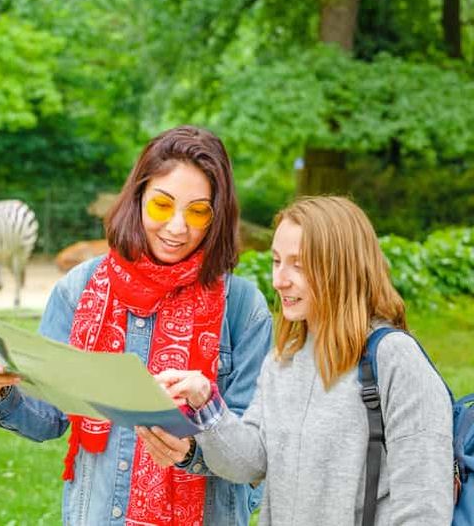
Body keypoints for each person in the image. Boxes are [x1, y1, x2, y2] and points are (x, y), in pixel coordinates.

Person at [0, 125, 272, 525]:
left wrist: (190, 450)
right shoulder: (79, 289)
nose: (178, 227)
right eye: (163, 206)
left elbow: (252, 457)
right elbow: (49, 419)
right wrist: (2, 389)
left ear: (217, 217)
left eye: (198, 211)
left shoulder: (243, 308)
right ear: (138, 197)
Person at [138, 196, 454, 525]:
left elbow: (424, 506)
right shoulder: (284, 359)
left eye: (298, 265)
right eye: (277, 261)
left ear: (341, 267)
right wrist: (206, 401)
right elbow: (251, 462)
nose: (279, 280)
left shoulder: (394, 359)